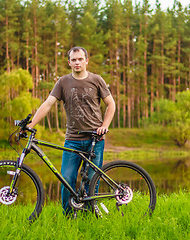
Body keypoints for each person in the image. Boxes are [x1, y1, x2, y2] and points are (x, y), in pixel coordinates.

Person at [27, 46, 116, 215]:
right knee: (67, 179)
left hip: (94, 139)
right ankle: (68, 217)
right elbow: (47, 104)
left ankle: (91, 216)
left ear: (86, 61)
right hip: (72, 140)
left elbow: (111, 104)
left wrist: (105, 125)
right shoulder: (63, 82)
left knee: (91, 182)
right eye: (74, 60)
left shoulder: (97, 80)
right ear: (69, 62)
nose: (77, 62)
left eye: (80, 59)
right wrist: (31, 125)